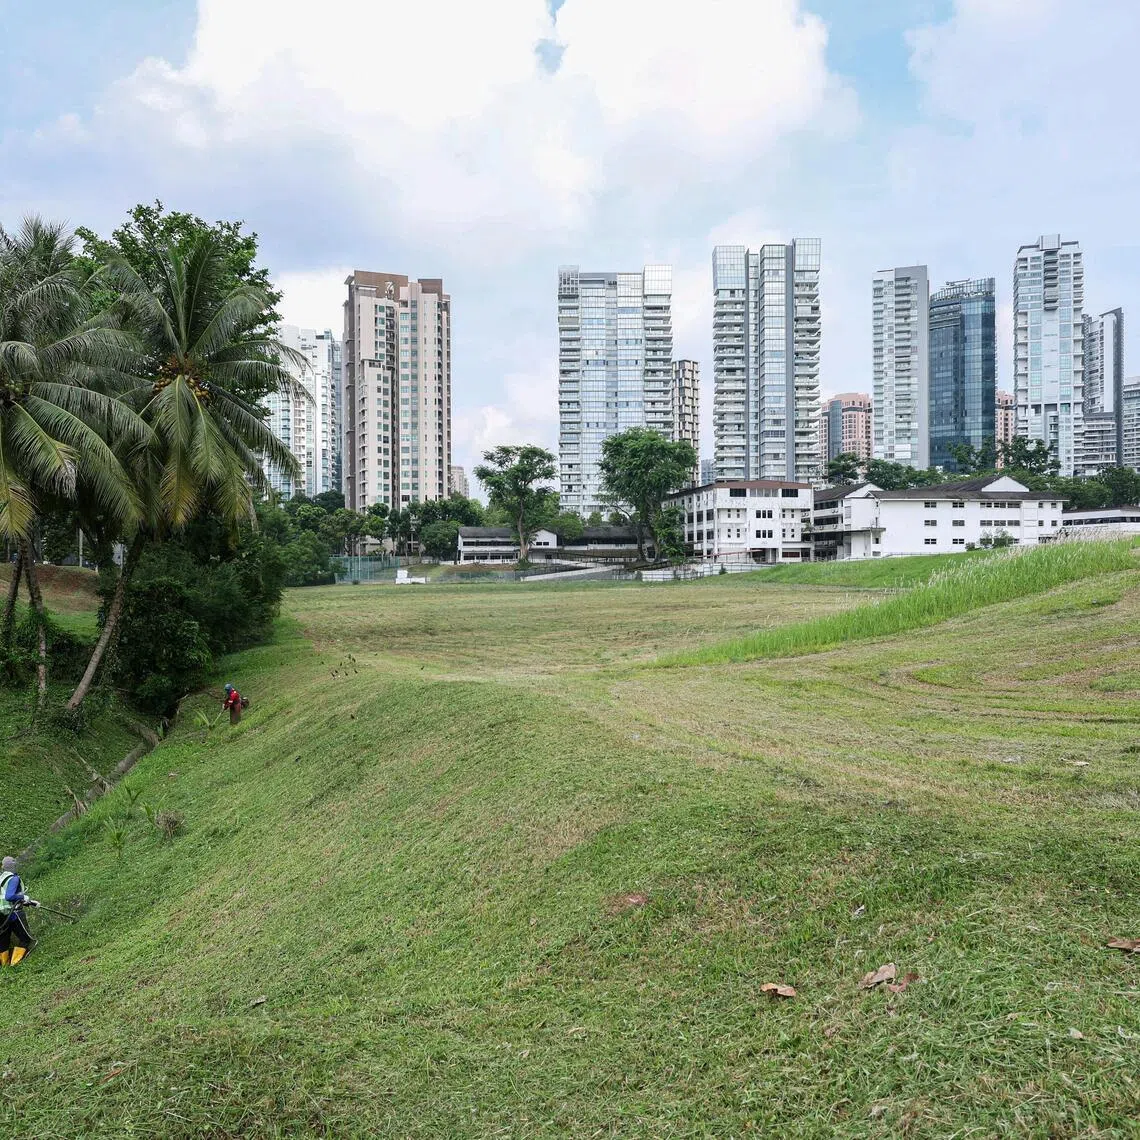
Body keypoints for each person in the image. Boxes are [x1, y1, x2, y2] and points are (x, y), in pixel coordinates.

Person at [0, 855, 38, 967]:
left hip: (2, 916)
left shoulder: (1, 878)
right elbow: (10, 896)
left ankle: (5, 967)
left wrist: (29, 902)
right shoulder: (14, 878)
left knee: (3, 943)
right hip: (13, 913)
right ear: (13, 866)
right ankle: (15, 964)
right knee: (26, 939)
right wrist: (23, 897)